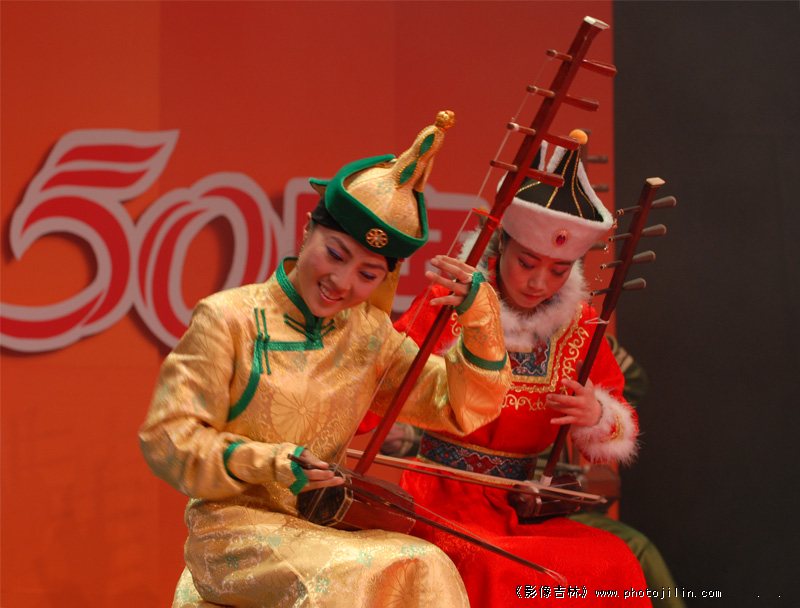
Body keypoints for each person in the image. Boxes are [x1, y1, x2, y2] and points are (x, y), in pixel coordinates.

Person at [138, 111, 513, 608]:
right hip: (232, 532)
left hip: (322, 525)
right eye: (335, 254)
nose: (342, 282)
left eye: (367, 274)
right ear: (307, 230)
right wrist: (272, 462)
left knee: (427, 565)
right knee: (349, 579)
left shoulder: (369, 336)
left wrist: (480, 318)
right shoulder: (229, 319)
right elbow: (168, 438)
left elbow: (460, 406)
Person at [365, 130, 657, 606]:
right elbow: (384, 373)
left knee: (614, 564)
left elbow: (620, 420)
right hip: (440, 496)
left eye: (558, 270)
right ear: (503, 246)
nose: (539, 282)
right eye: (527, 263)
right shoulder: (451, 299)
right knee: (500, 569)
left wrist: (597, 414)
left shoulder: (582, 324)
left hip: (521, 504)